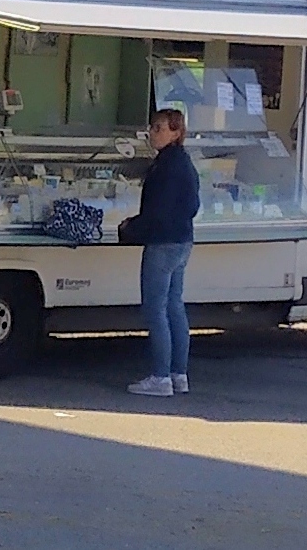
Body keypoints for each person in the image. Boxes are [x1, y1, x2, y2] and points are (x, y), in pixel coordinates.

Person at [128, 108, 200, 397]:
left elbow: (156, 210)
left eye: (159, 128)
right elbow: (193, 206)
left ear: (176, 132)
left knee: (155, 309)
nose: (152, 132)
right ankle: (178, 374)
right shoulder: (184, 163)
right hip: (183, 240)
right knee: (174, 306)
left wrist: (132, 227)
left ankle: (160, 377)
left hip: (163, 242)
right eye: (152, 127)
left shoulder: (166, 167)